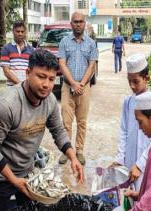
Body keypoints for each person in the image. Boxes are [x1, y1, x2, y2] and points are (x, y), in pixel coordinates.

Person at [0, 49, 84, 211]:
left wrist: (72, 157)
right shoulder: (6, 105)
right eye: (41, 77)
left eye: (51, 79)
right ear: (28, 74)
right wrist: (13, 180)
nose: (46, 85)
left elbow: (59, 131)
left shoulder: (50, 101)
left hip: (26, 174)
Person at [58, 12, 98, 165]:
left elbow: (92, 65)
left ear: (84, 23)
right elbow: (62, 63)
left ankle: (79, 151)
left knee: (82, 122)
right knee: (66, 122)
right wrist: (73, 84)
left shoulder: (91, 43)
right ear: (71, 23)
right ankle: (66, 151)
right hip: (68, 88)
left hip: (84, 88)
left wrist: (81, 84)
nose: (78, 24)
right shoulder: (64, 42)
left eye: (81, 21)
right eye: (75, 21)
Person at [109, 54, 151, 190]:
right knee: (128, 196)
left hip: (146, 162)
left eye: (136, 81)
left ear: (147, 78)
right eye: (129, 81)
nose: (132, 86)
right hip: (129, 160)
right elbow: (124, 131)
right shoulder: (128, 102)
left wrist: (140, 164)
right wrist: (120, 158)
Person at [0, 20, 35, 86]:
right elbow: (6, 71)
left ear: (25, 32)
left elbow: (33, 70)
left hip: (28, 87)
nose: (20, 34)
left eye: (22, 31)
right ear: (13, 32)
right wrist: (21, 84)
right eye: (17, 31)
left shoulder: (31, 50)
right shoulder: (6, 48)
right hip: (12, 87)